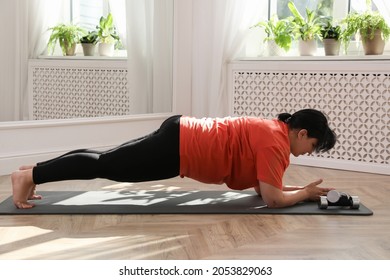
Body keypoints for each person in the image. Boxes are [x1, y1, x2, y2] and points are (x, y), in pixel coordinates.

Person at [11, 108, 337, 209]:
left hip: (181, 134)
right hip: (182, 147)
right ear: (301, 132)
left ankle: (31, 172)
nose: (311, 151)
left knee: (105, 160)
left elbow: (265, 188)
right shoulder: (276, 144)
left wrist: (301, 190)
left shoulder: (274, 132)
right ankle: (31, 175)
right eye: (314, 144)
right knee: (106, 165)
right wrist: (304, 193)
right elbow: (273, 199)